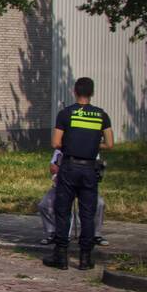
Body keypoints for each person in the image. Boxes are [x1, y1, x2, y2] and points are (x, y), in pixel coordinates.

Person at [43, 77, 114, 270]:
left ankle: (61, 256)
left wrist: (73, 143)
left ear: (75, 91)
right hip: (90, 168)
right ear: (92, 93)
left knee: (63, 211)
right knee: (88, 213)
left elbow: (56, 143)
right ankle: (85, 258)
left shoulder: (66, 114)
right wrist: (91, 144)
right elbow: (109, 144)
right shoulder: (101, 115)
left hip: (69, 167)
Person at [38, 150, 108, 246]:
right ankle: (54, 232)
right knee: (45, 204)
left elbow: (96, 169)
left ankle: (95, 234)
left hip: (84, 187)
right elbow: (53, 167)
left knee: (99, 203)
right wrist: (56, 175)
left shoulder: (90, 147)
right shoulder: (61, 148)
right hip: (63, 185)